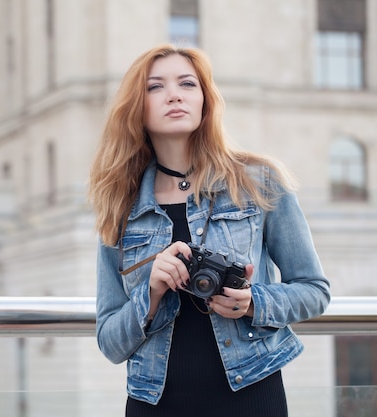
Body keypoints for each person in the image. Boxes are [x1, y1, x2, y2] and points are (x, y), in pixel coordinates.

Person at [88, 43, 330, 417]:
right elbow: (109, 342)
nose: (174, 95)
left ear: (205, 100)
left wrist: (253, 302)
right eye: (155, 87)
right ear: (138, 107)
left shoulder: (258, 183)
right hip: (155, 402)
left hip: (251, 394)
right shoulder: (121, 204)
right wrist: (151, 292)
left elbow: (314, 291)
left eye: (188, 83)